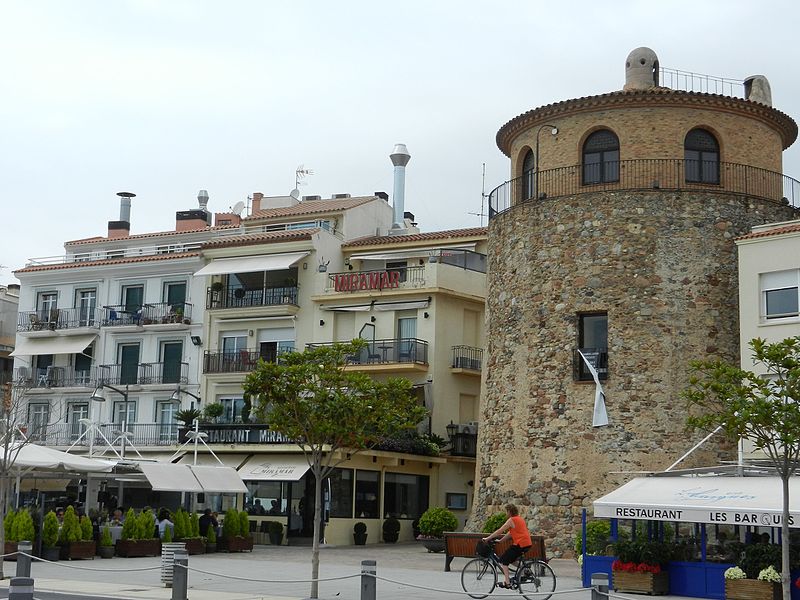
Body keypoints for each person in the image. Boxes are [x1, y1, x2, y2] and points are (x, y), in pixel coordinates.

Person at [482, 503, 533, 589]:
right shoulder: (520, 519)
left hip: (520, 544)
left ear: (509, 512)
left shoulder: (511, 520)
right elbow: (510, 533)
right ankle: (525, 570)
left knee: (503, 561)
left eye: (506, 511)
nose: (506, 513)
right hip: (527, 544)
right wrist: (501, 541)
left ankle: (507, 582)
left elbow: (499, 531)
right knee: (511, 559)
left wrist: (488, 538)